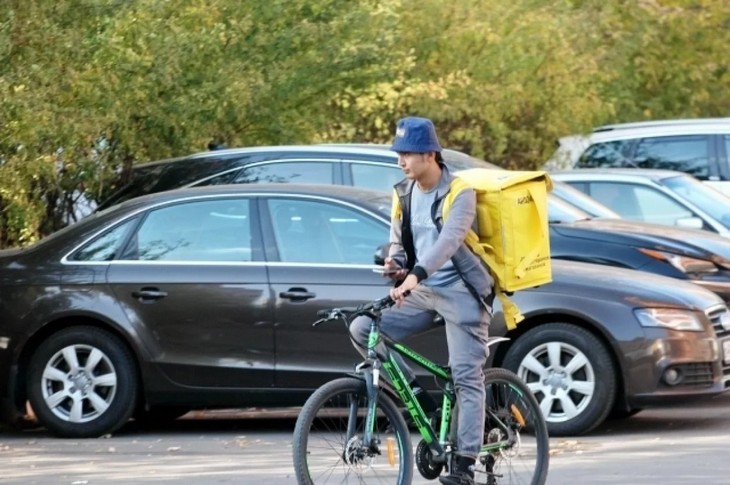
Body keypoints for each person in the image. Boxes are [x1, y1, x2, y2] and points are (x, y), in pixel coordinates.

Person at [349, 116, 494, 485]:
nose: (401, 161)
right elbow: (399, 242)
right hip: (422, 291)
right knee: (364, 327)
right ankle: (420, 399)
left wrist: (415, 275)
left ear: (430, 154)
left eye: (407, 154)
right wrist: (395, 264)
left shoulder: (460, 192)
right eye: (398, 154)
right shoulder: (403, 192)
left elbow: (449, 242)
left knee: (466, 376)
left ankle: (465, 464)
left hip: (461, 292)